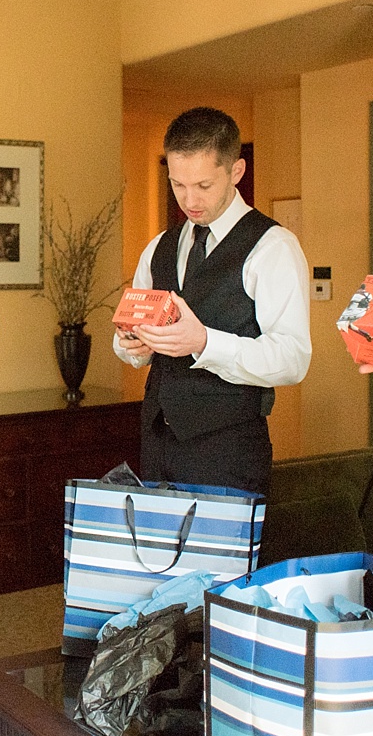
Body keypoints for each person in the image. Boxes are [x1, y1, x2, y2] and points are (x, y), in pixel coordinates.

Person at [115, 107, 310, 494]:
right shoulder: (159, 248)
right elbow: (129, 348)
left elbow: (293, 358)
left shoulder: (273, 247)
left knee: (223, 557)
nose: (189, 199)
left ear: (236, 172)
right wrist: (133, 346)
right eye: (177, 185)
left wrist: (205, 343)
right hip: (156, 445)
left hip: (229, 453)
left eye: (203, 185)